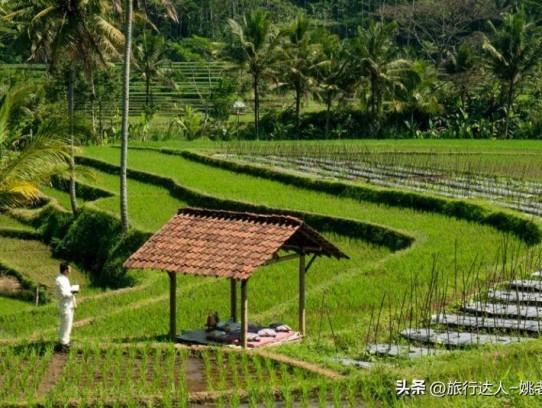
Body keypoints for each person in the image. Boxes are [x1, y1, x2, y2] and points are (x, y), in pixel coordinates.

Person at [55, 262, 77, 352]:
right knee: (65, 324)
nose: (70, 270)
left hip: (69, 304)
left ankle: (65, 341)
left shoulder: (64, 279)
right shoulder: (59, 280)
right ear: (65, 270)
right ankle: (63, 343)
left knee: (68, 324)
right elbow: (64, 293)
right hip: (65, 305)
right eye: (69, 269)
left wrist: (72, 290)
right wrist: (73, 291)